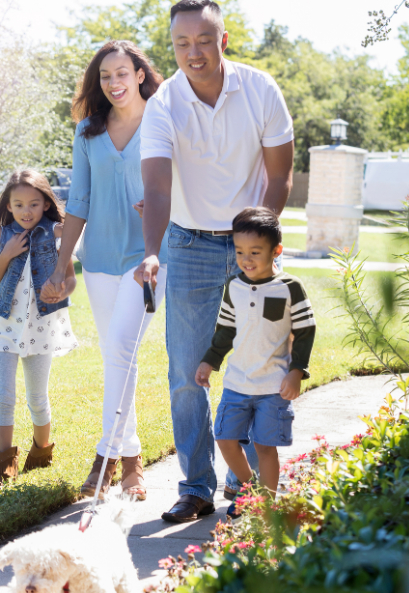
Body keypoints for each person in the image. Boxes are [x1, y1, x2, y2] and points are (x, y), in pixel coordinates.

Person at [133, 0, 296, 523]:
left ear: (222, 39)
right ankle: (196, 488)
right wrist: (152, 251)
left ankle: (244, 488)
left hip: (250, 242)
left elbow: (280, 176)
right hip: (189, 243)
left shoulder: (260, 90)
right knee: (186, 372)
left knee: (253, 370)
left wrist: (260, 243)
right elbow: (156, 188)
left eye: (203, 41)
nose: (193, 53)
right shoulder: (163, 105)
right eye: (182, 44)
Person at [41, 41, 169, 500]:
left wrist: (162, 205)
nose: (114, 83)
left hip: (151, 258)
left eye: (121, 73)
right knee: (119, 356)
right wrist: (63, 264)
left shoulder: (163, 119)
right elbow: (79, 201)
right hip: (98, 260)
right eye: (105, 77)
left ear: (139, 74)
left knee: (120, 347)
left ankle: (105, 458)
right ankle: (131, 460)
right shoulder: (87, 132)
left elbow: (184, 183)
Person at [195, 207, 315, 518]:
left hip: (273, 386)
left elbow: (305, 331)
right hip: (238, 382)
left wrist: (296, 372)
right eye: (240, 251)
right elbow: (225, 330)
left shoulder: (290, 287)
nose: (246, 259)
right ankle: (252, 493)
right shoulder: (233, 286)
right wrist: (210, 361)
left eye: (255, 252)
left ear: (277, 251)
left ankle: (268, 506)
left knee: (264, 447)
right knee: (224, 437)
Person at [0, 169, 78, 487]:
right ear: (8, 206)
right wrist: (5, 255)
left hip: (41, 327)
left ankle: (42, 452)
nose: (26, 211)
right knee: (4, 397)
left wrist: (63, 289)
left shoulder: (57, 235)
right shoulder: (1, 237)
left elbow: (70, 278)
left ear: (46, 204)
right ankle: (4, 463)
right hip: (3, 326)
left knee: (37, 396)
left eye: (33, 204)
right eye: (18, 205)